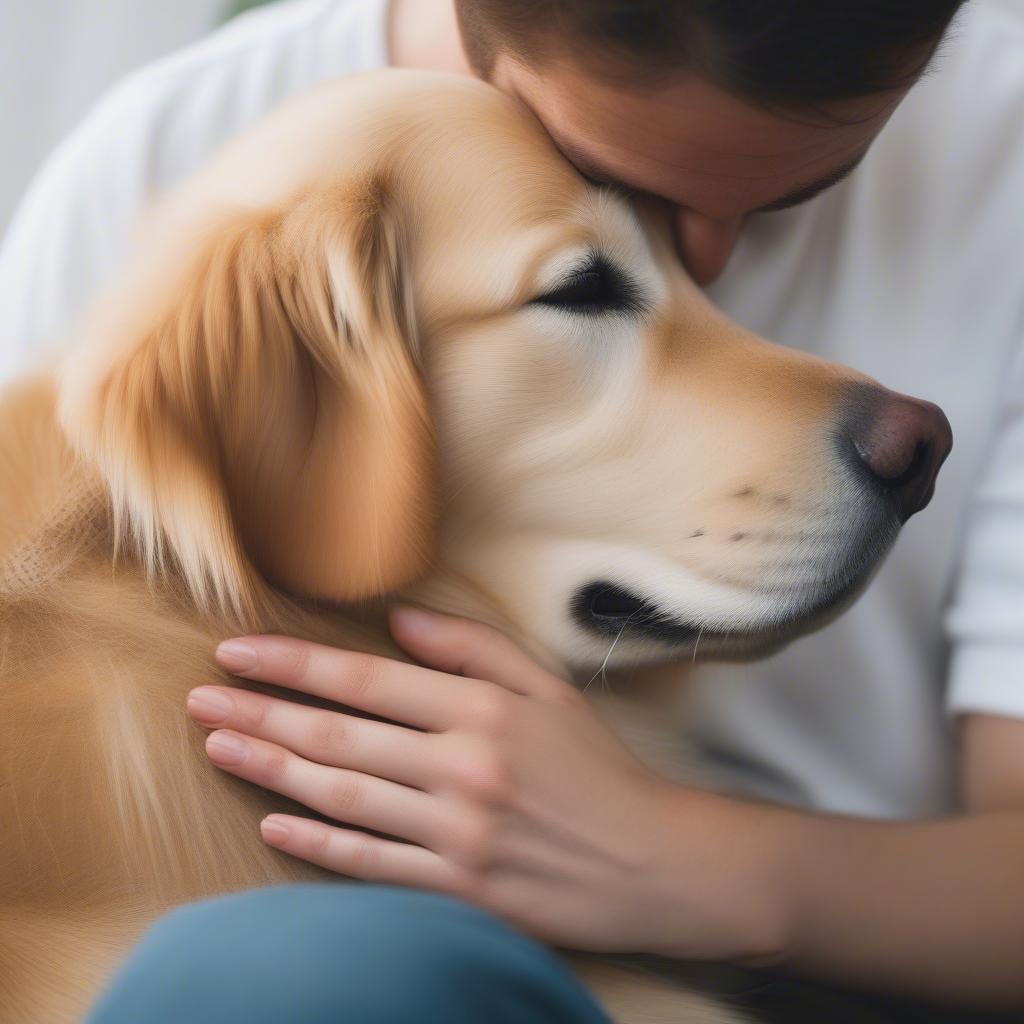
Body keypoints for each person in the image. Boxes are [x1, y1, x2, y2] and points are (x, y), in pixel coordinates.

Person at [4, 1, 1024, 1020]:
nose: (709, 255)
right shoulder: (165, 152)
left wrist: (696, 864)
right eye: (609, 185)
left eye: (808, 184)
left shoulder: (1002, 136)